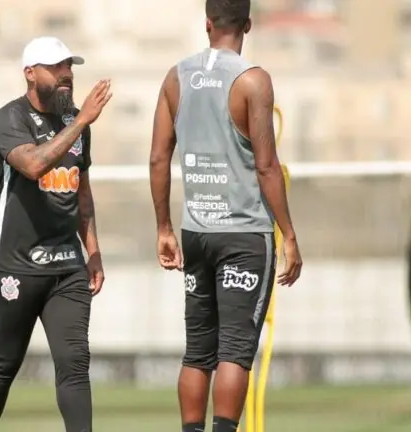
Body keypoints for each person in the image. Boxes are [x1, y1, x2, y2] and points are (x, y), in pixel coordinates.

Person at [148, 1, 303, 431]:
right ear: (248, 24)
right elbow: (267, 166)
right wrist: (288, 233)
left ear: (207, 24)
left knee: (197, 351)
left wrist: (163, 227)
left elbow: (159, 158)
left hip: (195, 231)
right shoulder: (253, 81)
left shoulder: (175, 77)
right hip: (243, 235)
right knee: (234, 350)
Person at [0, 36, 113, 432]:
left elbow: (82, 191)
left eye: (70, 66)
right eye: (57, 67)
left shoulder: (77, 124)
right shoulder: (9, 119)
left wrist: (94, 251)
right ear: (31, 74)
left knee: (75, 363)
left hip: (67, 265)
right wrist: (83, 120)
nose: (67, 75)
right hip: (14, 264)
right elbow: (33, 165)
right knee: (4, 362)